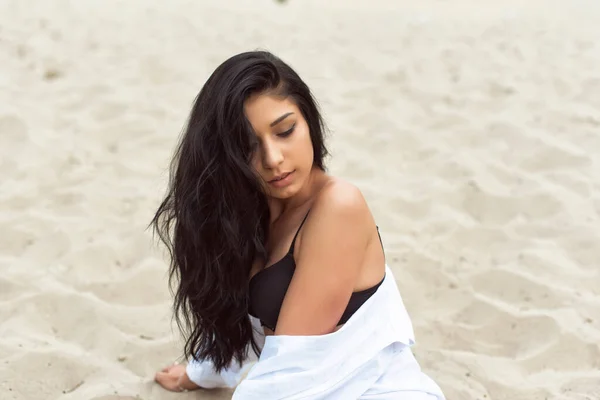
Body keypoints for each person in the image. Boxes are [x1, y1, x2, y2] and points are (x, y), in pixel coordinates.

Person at [151, 50, 445, 399]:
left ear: (309, 122)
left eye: (285, 131)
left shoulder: (338, 207)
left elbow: (290, 370)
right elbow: (247, 323)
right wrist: (204, 371)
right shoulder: (249, 215)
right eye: (247, 146)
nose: (272, 159)